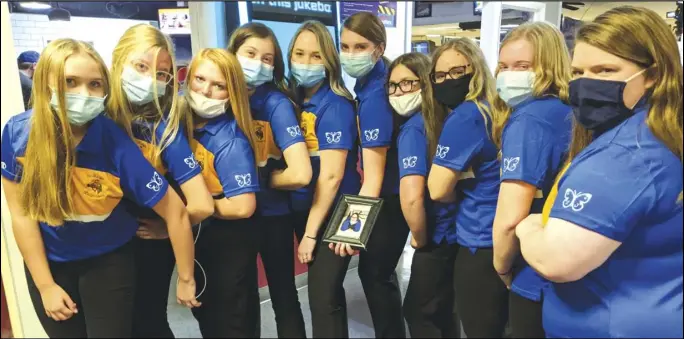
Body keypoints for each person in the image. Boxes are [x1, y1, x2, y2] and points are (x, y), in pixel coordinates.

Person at [0, 38, 199, 338]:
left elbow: (176, 211)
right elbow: (21, 214)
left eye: (95, 85)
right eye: (70, 82)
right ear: (46, 83)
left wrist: (186, 277)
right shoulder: (17, 134)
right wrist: (45, 285)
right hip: (50, 264)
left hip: (107, 263)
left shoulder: (115, 143)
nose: (84, 94)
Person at [516, 6, 683, 338]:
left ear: (652, 75)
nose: (587, 83)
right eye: (578, 72)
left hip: (609, 324)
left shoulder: (625, 155)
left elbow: (557, 261)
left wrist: (528, 227)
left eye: (605, 70)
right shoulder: (664, 134)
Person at [108, 24, 214, 338]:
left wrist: (168, 226)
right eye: (141, 67)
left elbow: (201, 205)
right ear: (118, 61)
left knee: (148, 321)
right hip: (99, 246)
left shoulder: (163, 127)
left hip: (145, 244)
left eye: (162, 74)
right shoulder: (95, 117)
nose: (151, 80)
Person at [313, 12, 409, 338]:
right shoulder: (371, 82)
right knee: (377, 275)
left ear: (378, 49)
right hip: (388, 195)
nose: (350, 53)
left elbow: (374, 176)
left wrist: (349, 229)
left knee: (377, 277)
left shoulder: (376, 96)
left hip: (390, 199)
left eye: (360, 46)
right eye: (345, 46)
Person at [227, 22, 312, 339]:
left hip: (272, 217)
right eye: (250, 53)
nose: (258, 63)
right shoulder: (220, 100)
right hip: (231, 220)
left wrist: (262, 182)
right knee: (241, 300)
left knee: (283, 296)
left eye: (267, 58)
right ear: (232, 53)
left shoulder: (275, 104)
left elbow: (301, 172)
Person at [490, 22, 573, 338]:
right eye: (504, 66)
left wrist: (501, 267)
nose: (510, 76)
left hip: (534, 275)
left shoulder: (529, 120)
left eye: (523, 66)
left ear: (547, 67)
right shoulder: (566, 110)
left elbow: (510, 219)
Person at [426, 38, 507, 338]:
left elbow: (437, 189)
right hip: (501, 234)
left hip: (478, 239)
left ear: (476, 70)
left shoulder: (466, 116)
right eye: (441, 75)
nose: (449, 81)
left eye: (458, 71)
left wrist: (454, 193)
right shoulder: (494, 109)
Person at [285, 20, 360, 338]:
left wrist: (311, 235)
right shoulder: (295, 101)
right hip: (314, 208)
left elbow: (331, 176)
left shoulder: (336, 104)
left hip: (345, 210)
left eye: (316, 56)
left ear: (329, 60)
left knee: (321, 294)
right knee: (328, 293)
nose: (305, 62)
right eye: (299, 54)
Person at [180, 48, 261, 338]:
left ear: (232, 92)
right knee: (208, 316)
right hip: (200, 239)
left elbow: (242, 206)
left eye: (219, 86)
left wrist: (194, 209)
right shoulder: (181, 124)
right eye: (200, 79)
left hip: (226, 244)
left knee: (228, 322)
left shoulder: (230, 141)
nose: (205, 91)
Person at [388, 52, 460, 338]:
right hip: (458, 230)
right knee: (444, 310)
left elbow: (412, 196)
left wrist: (419, 237)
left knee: (419, 312)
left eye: (407, 83)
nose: (399, 92)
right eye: (393, 86)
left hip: (437, 234)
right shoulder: (449, 118)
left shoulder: (414, 129)